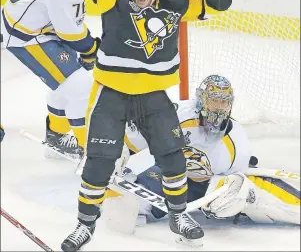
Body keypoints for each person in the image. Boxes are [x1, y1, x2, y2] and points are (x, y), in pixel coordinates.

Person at [61, 0, 232, 251]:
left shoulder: (177, 1)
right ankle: (85, 224)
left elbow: (218, 5)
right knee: (100, 162)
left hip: (153, 95)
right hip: (112, 92)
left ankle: (178, 216)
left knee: (174, 158)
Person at [124, 75, 300, 226]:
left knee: (238, 195)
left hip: (207, 185)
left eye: (224, 102)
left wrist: (235, 191)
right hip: (170, 175)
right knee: (131, 203)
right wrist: (127, 165)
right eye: (214, 100)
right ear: (201, 100)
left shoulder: (236, 138)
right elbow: (135, 140)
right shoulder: (176, 115)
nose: (219, 107)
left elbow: (238, 176)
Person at [1, 0, 105, 159]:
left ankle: (56, 138)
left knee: (67, 80)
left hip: (34, 22)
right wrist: (92, 49)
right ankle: (93, 155)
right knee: (80, 87)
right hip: (27, 35)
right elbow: (70, 33)